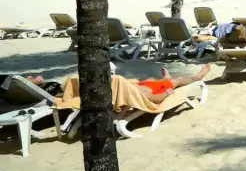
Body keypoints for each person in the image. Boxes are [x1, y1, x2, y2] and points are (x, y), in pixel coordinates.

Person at [24, 65, 210, 104]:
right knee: (175, 81)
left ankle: (174, 78)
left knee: (157, 81)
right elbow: (154, 99)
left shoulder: (93, 84)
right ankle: (196, 77)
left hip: (137, 86)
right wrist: (169, 93)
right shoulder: (119, 86)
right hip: (144, 90)